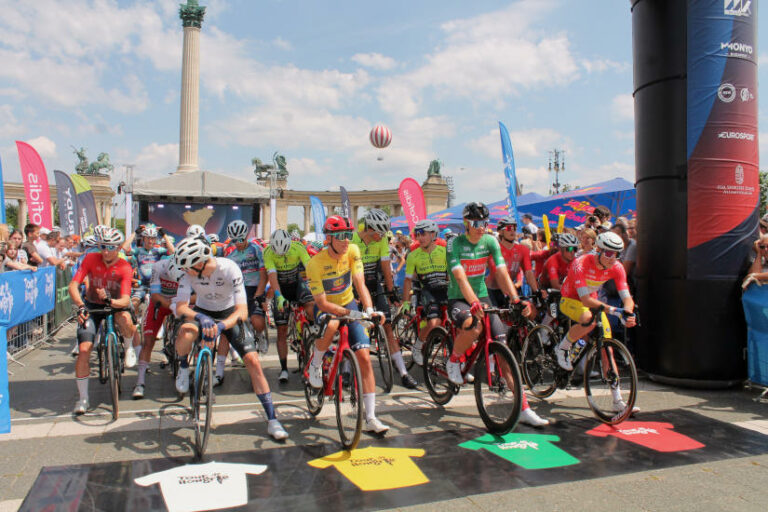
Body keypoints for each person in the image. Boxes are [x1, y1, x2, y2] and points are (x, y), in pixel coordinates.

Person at [172, 236, 289, 440]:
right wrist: (200, 317)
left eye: (187, 268)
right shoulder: (187, 275)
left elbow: (242, 311)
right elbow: (181, 307)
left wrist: (221, 326)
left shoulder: (229, 268)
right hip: (202, 311)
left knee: (253, 361)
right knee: (186, 331)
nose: (184, 272)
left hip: (229, 314)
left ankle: (272, 420)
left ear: (199, 263)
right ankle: (183, 366)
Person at [446, 202, 549, 427]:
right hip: (459, 297)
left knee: (503, 350)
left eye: (484, 223)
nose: (481, 227)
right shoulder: (455, 243)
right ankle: (454, 359)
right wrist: (473, 303)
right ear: (466, 223)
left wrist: (515, 299)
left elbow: (502, 272)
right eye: (476, 223)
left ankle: (524, 408)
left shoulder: (490, 241)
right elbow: (460, 277)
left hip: (482, 295)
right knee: (474, 325)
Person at [305, 215, 390, 433]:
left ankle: (371, 418)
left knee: (364, 358)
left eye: (348, 235)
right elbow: (322, 303)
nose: (345, 240)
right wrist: (352, 314)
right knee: (332, 326)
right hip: (327, 306)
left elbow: (360, 283)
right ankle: (316, 363)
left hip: (349, 303)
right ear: (329, 238)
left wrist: (368, 310)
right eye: (340, 236)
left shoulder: (352, 250)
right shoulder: (315, 264)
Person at [555, 231, 638, 413]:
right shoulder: (581, 263)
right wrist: (615, 311)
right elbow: (585, 300)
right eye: (608, 253)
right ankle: (562, 347)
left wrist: (628, 313)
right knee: (588, 320)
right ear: (598, 250)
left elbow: (627, 297)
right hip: (570, 300)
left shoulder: (617, 267)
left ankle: (617, 400)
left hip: (594, 303)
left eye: (616, 254)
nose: (612, 258)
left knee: (607, 349)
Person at [68, 227, 138, 415]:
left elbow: (125, 300)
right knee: (84, 350)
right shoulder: (90, 259)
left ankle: (129, 347)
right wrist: (80, 306)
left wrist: (110, 301)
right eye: (103, 246)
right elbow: (73, 285)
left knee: (126, 318)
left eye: (111, 247)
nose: (106, 251)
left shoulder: (125, 266)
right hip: (92, 306)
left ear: (119, 248)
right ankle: (83, 398)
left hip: (115, 304)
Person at [352, 209, 418, 388]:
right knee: (355, 329)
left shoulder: (380, 240)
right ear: (369, 228)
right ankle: (347, 369)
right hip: (356, 287)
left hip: (374, 283)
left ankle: (403, 373)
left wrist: (391, 291)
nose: (382, 237)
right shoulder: (352, 240)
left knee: (388, 327)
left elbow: (386, 267)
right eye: (379, 233)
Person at [263, 229, 315, 382]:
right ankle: (284, 369)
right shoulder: (268, 252)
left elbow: (310, 268)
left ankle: (312, 330)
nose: (281, 255)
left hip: (297, 284)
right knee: (281, 329)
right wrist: (278, 297)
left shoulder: (298, 247)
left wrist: (315, 287)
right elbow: (272, 277)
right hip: (280, 287)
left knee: (310, 305)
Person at [132, 256, 183, 399]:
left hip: (180, 302)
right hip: (160, 303)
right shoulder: (158, 266)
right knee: (148, 342)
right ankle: (140, 382)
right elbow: (154, 296)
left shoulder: (188, 268)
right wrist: (171, 305)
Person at [224, 220, 268, 385]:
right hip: (240, 291)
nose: (239, 243)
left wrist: (259, 294)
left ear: (246, 236)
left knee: (257, 321)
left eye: (241, 239)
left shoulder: (256, 249)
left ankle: (260, 334)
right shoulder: (230, 256)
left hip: (255, 288)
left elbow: (263, 275)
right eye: (235, 240)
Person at [401, 219, 447, 366]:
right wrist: (406, 302)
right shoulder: (413, 255)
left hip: (446, 290)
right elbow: (407, 280)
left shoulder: (444, 252)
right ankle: (417, 346)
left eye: (423, 234)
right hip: (427, 291)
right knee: (434, 322)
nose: (419, 238)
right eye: (417, 235)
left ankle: (458, 359)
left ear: (433, 234)